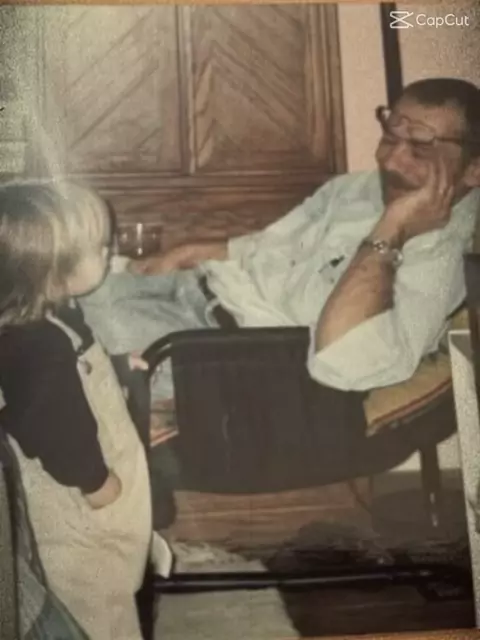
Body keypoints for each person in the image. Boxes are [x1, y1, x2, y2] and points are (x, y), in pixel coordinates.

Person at [80, 77, 480, 400]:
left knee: (63, 348)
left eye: (420, 148)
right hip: (199, 287)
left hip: (219, 347)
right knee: (62, 291)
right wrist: (188, 253)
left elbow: (345, 362)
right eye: (390, 137)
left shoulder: (443, 257)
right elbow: (271, 245)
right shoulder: (353, 189)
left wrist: (391, 228)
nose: (389, 159)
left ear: (474, 170)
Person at [0, 181, 171, 639]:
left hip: (91, 486)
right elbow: (50, 425)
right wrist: (97, 484)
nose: (109, 253)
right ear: (53, 268)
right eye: (100, 248)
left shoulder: (48, 319)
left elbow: (66, 378)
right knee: (96, 603)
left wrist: (116, 365)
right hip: (80, 500)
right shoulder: (39, 344)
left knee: (116, 578)